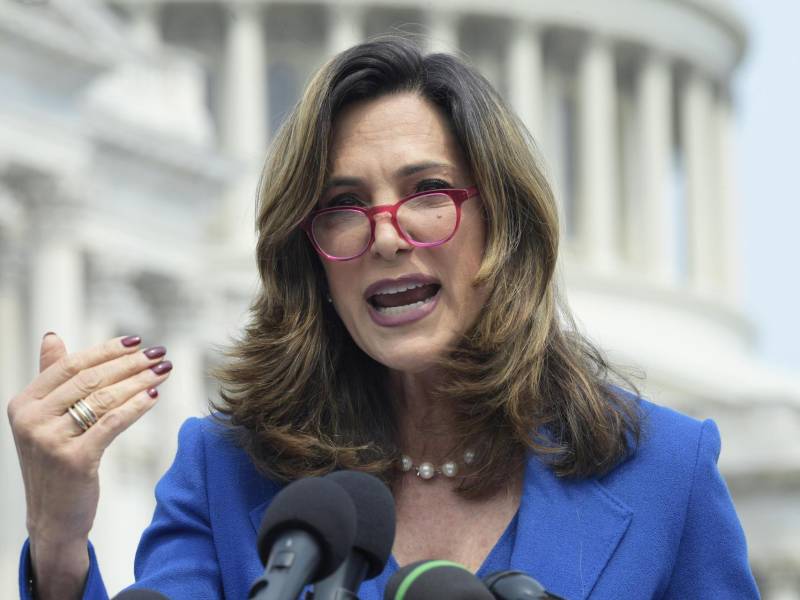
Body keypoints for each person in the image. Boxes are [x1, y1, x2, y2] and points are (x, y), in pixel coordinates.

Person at [9, 37, 759, 600]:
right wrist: (60, 541)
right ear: (313, 256)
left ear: (502, 221)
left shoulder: (666, 471)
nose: (389, 235)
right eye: (343, 207)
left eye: (427, 192)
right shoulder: (225, 474)